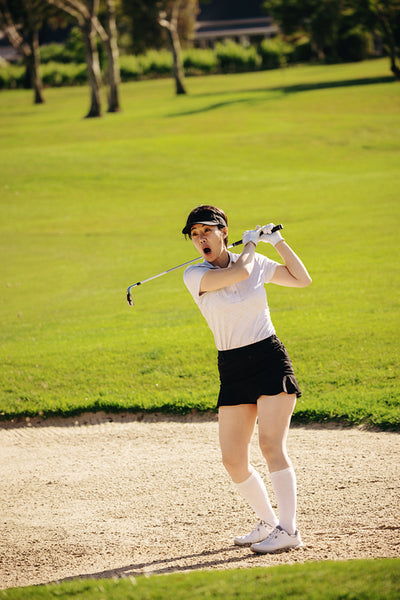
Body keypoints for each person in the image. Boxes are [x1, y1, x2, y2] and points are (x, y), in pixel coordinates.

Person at [182, 205, 312, 554]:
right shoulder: (194, 276)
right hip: (233, 367)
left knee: (271, 445)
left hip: (269, 359)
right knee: (233, 459)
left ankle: (289, 529)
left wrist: (277, 242)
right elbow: (238, 273)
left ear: (223, 232)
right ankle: (269, 522)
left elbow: (302, 279)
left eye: (206, 231)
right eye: (194, 235)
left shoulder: (253, 263)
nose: (200, 239)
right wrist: (251, 247)